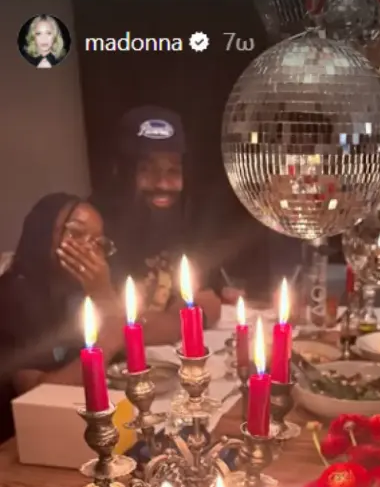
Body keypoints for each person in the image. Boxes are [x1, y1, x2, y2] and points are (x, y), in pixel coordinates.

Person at [93, 106, 239, 336]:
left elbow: (206, 298)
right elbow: (105, 329)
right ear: (120, 171)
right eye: (146, 169)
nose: (162, 184)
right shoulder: (91, 226)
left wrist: (218, 296)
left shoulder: (187, 220)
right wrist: (186, 319)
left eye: (173, 171)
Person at [0, 193, 126, 406]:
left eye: (98, 243)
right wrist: (108, 341)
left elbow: (126, 363)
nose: (88, 248)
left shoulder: (80, 290)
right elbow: (40, 395)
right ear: (41, 234)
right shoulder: (11, 298)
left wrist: (105, 295)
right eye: (76, 233)